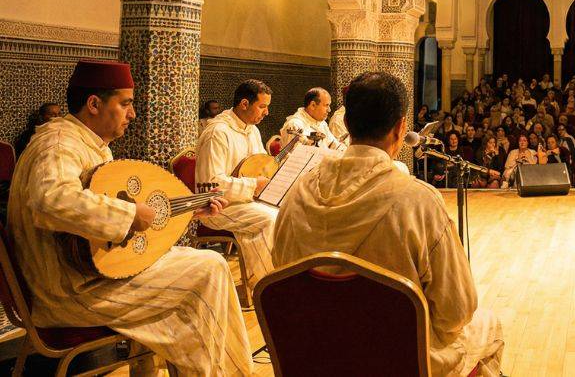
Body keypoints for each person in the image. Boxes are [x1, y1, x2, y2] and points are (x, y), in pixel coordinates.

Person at [7, 60, 250, 376]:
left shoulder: (90, 145)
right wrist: (130, 212)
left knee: (202, 265)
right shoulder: (58, 144)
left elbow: (108, 220)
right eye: (125, 104)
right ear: (94, 104)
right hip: (68, 290)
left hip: (90, 275)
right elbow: (50, 201)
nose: (132, 114)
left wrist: (189, 210)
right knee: (209, 271)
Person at [273, 71, 503, 376]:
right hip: (397, 361)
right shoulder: (418, 200)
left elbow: (281, 270)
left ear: (348, 126)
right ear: (400, 129)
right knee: (490, 325)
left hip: (316, 355)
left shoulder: (297, 193)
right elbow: (456, 310)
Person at [195, 79, 278, 291]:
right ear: (243, 104)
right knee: (269, 218)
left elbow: (258, 167)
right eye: (262, 106)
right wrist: (253, 185)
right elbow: (210, 183)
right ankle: (264, 287)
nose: (266, 112)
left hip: (245, 200)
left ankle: (279, 277)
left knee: (286, 210)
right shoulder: (218, 132)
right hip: (218, 206)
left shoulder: (252, 130)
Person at [282, 87, 346, 152]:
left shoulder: (322, 123)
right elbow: (292, 157)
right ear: (313, 105)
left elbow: (334, 144)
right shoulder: (294, 125)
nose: (329, 110)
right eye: (326, 105)